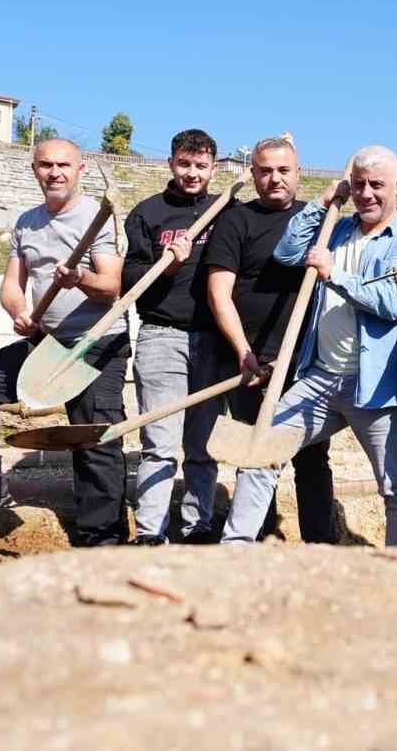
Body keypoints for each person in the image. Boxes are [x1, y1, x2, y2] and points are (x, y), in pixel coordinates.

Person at [221, 145, 397, 546]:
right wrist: (320, 203)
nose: (366, 193)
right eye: (358, 185)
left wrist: (335, 273)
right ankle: (235, 550)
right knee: (261, 451)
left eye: (377, 185)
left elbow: (391, 303)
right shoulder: (336, 228)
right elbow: (287, 252)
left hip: (378, 386)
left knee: (395, 487)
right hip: (320, 377)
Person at [0, 139, 131, 547]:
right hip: (47, 342)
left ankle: (103, 540)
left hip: (96, 344)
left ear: (80, 170)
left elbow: (111, 286)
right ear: (34, 169)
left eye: (63, 165)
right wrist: (18, 312)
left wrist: (80, 279)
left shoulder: (97, 217)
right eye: (45, 165)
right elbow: (11, 284)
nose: (54, 172)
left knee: (93, 436)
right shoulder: (27, 222)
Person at [204, 134, 335, 543]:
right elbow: (219, 293)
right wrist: (245, 353)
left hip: (306, 364)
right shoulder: (236, 221)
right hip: (249, 363)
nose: (274, 179)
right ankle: (255, 541)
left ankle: (321, 544)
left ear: (298, 173)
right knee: (255, 456)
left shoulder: (321, 222)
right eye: (265, 171)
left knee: (312, 458)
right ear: (253, 173)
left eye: (283, 170)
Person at [120, 128, 227, 545]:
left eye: (201, 166)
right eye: (184, 164)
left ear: (214, 168)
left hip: (213, 339)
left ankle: (198, 526)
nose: (192, 173)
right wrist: (166, 266)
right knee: (159, 443)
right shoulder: (148, 214)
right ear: (170, 163)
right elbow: (129, 281)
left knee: (202, 445)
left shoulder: (226, 211)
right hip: (161, 335)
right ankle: (150, 532)